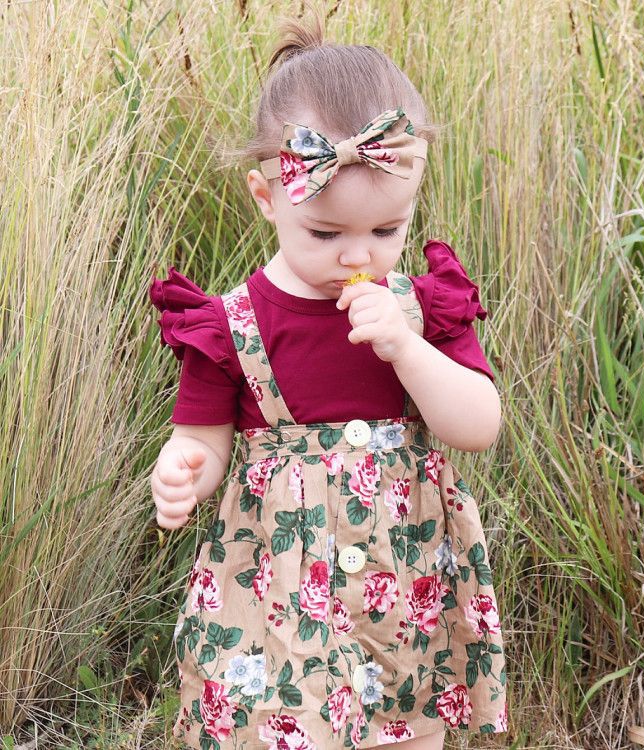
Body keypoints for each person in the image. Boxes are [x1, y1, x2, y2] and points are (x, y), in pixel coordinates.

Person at [149, 11, 509, 750]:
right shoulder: (229, 326)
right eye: (325, 234)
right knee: (276, 729)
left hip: (402, 584)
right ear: (265, 196)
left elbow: (478, 424)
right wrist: (183, 469)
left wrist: (406, 349)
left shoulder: (425, 308)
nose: (360, 256)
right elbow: (204, 443)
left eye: (386, 231)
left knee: (407, 728)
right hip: (275, 592)